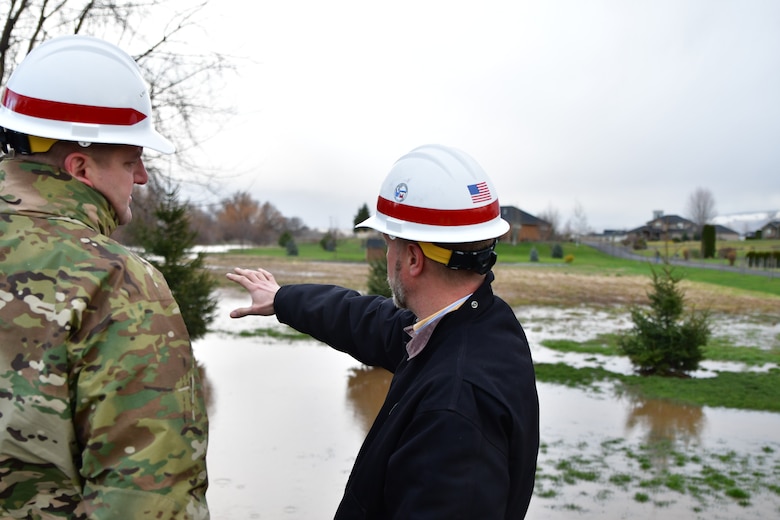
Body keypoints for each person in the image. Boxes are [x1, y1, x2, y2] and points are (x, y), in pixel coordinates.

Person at [228, 144, 539, 518]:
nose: (386, 255)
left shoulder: (455, 407)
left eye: (388, 242)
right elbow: (365, 320)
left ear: (412, 259)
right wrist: (283, 299)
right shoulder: (473, 322)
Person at [0, 35, 209, 519]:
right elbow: (146, 500)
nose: (142, 178)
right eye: (131, 160)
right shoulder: (118, 283)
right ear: (81, 167)